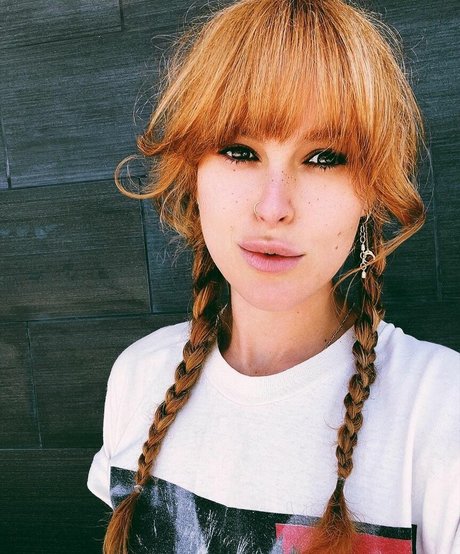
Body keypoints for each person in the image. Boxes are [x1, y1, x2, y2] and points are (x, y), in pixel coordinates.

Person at [87, 0, 460, 552]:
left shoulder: (442, 409)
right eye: (240, 151)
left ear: (371, 193)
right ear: (194, 176)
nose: (273, 207)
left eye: (325, 157)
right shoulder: (139, 376)